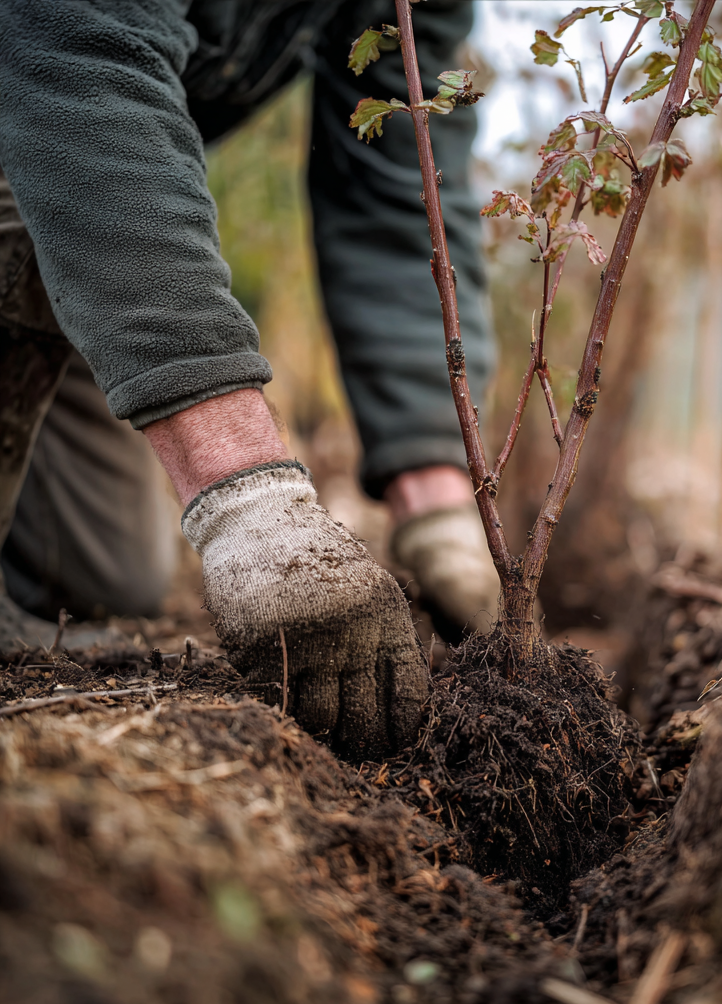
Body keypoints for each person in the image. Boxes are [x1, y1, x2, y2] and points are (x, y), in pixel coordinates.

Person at [0, 0, 500, 759]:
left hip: (73, 207)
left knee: (103, 576)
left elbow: (402, 185)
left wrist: (438, 505)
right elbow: (79, 65)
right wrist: (248, 498)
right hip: (43, 134)